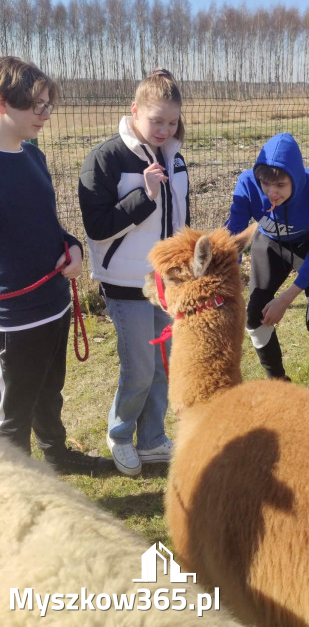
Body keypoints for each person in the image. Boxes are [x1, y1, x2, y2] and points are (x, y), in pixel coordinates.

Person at [0, 56, 111, 474]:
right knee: (15, 412)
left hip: (56, 303)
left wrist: (74, 247)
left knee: (51, 392)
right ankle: (17, 489)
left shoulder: (34, 157)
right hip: (15, 317)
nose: (45, 114)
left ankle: (58, 456)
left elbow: (48, 226)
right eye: (36, 105)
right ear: (3, 103)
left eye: (49, 104)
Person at [78, 69, 189, 476]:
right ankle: (120, 435)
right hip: (126, 284)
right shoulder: (106, 159)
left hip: (168, 282)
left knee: (163, 364)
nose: (163, 129)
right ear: (134, 110)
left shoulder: (175, 155)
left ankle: (153, 438)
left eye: (171, 121)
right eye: (155, 120)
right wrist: (145, 195)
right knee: (139, 368)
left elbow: (180, 219)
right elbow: (97, 227)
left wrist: (186, 267)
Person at [226, 132, 309, 392]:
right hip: (270, 244)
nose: (272, 192)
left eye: (280, 186)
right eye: (266, 184)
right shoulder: (247, 184)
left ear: (296, 179)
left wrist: (286, 299)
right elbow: (232, 234)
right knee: (254, 316)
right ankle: (278, 384)